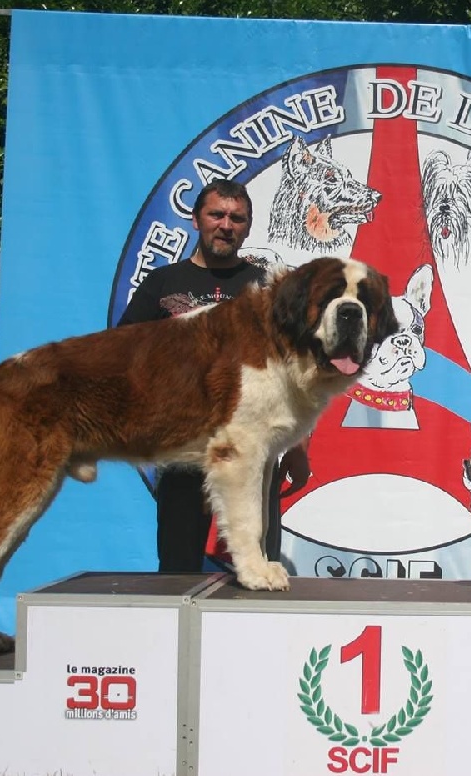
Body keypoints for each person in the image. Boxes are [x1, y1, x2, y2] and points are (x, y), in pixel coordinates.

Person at [118, 179, 310, 572]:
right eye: (217, 215)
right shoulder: (162, 283)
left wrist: (297, 445)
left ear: (248, 227)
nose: (226, 225)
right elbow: (123, 353)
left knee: (257, 564)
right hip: (184, 444)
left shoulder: (269, 289)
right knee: (178, 567)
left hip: (253, 445)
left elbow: (295, 369)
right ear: (196, 219)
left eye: (237, 218)